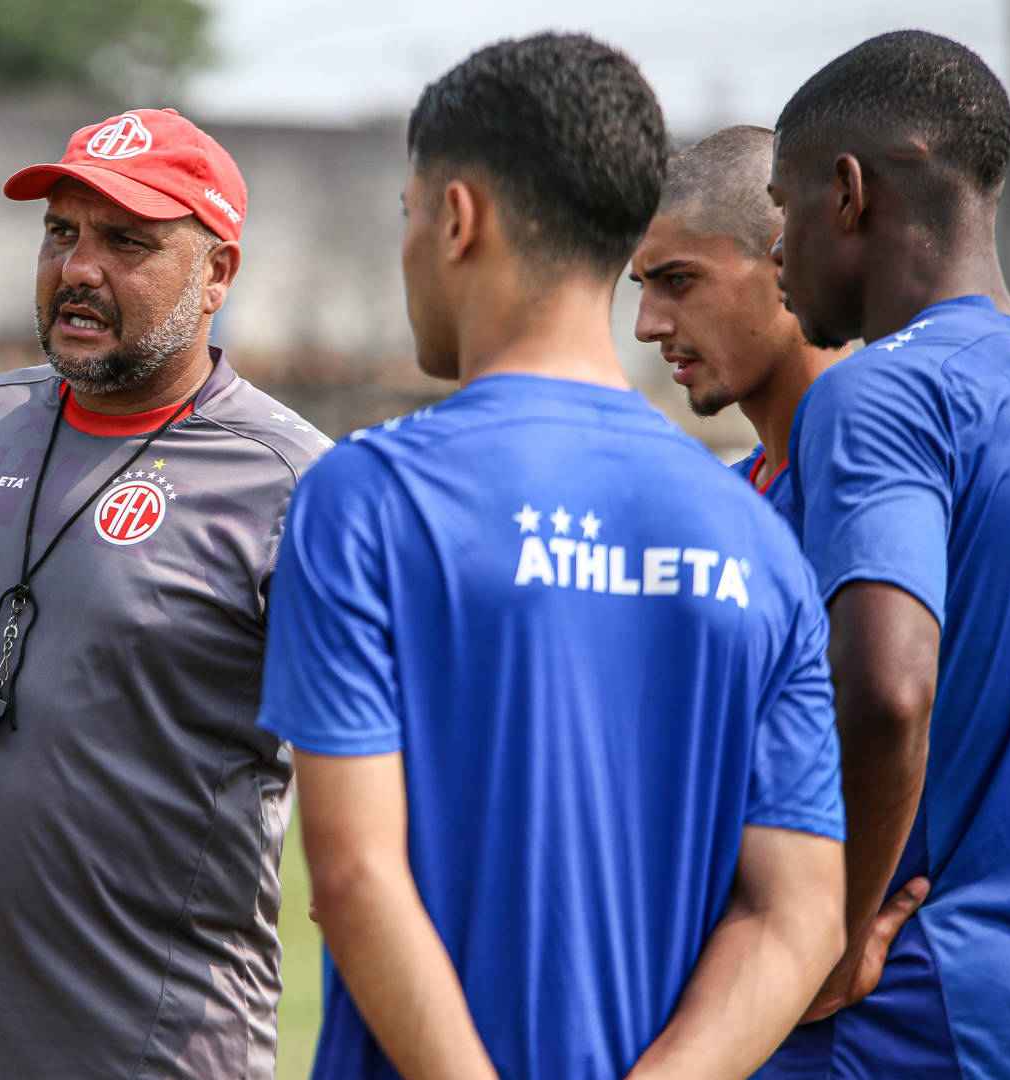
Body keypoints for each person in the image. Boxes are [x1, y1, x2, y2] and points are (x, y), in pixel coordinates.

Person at [260, 33, 847, 1079]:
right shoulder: (753, 531)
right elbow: (798, 915)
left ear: (455, 218)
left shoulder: (369, 498)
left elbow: (352, 874)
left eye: (407, 215)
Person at [0, 107, 330, 1080]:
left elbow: (377, 796)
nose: (79, 269)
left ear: (218, 272)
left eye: (128, 242)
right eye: (61, 232)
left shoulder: (293, 484)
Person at [762, 30, 1010, 1078]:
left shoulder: (885, 391)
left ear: (847, 193)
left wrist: (825, 939)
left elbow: (888, 690)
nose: (777, 252)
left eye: (781, 207)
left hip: (913, 998)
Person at [630, 125, 847, 510]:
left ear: (788, 257)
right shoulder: (723, 511)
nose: (646, 327)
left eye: (678, 280)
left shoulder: (897, 472)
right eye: (641, 286)